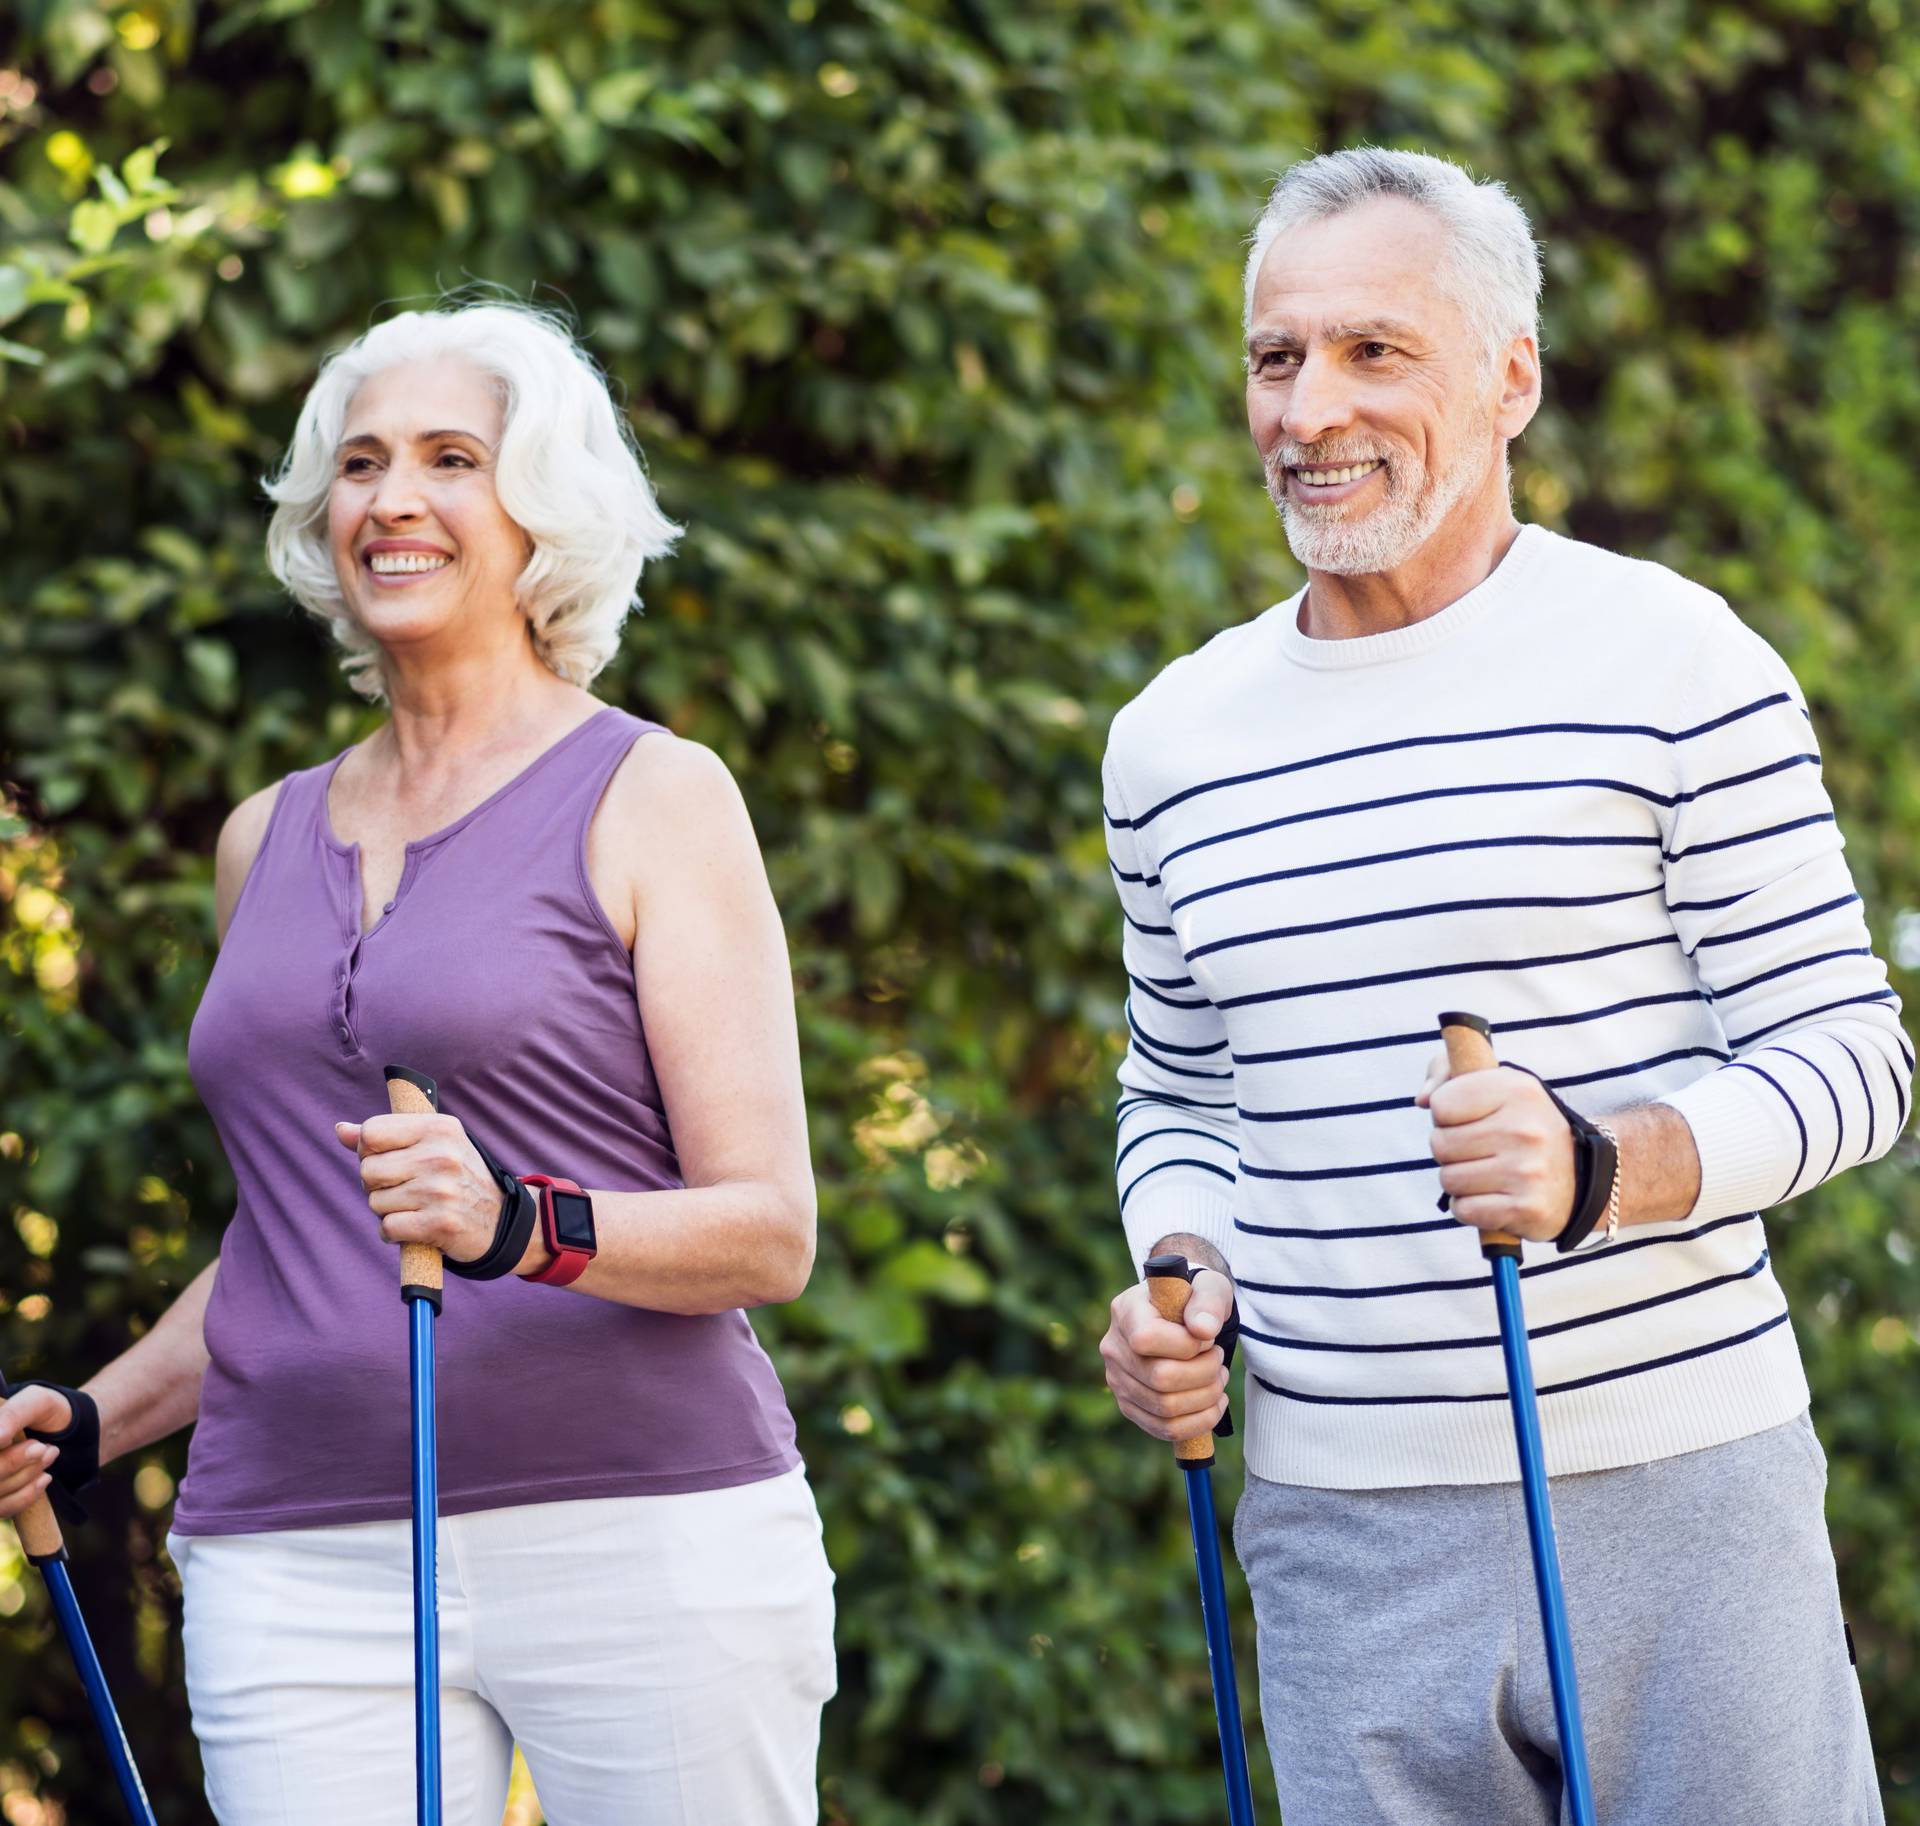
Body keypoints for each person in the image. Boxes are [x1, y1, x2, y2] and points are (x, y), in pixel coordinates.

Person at [1097, 149, 1905, 1826]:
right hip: (1335, 1531)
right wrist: (1183, 1271)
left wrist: (1605, 1167)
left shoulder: (1674, 657)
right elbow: (1179, 1095)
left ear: (1511, 375)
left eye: (1373, 351)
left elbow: (1856, 1055)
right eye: (1276, 356)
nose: (1310, 408)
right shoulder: (1171, 741)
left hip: (1680, 1493)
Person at [0, 300, 836, 1824]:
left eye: (454, 458)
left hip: (641, 1531)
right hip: (291, 1549)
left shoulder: (655, 794)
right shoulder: (264, 835)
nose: (395, 498)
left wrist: (519, 1219)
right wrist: (94, 1414)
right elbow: (300, 1238)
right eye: (364, 463)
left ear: (542, 514)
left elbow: (768, 1229)